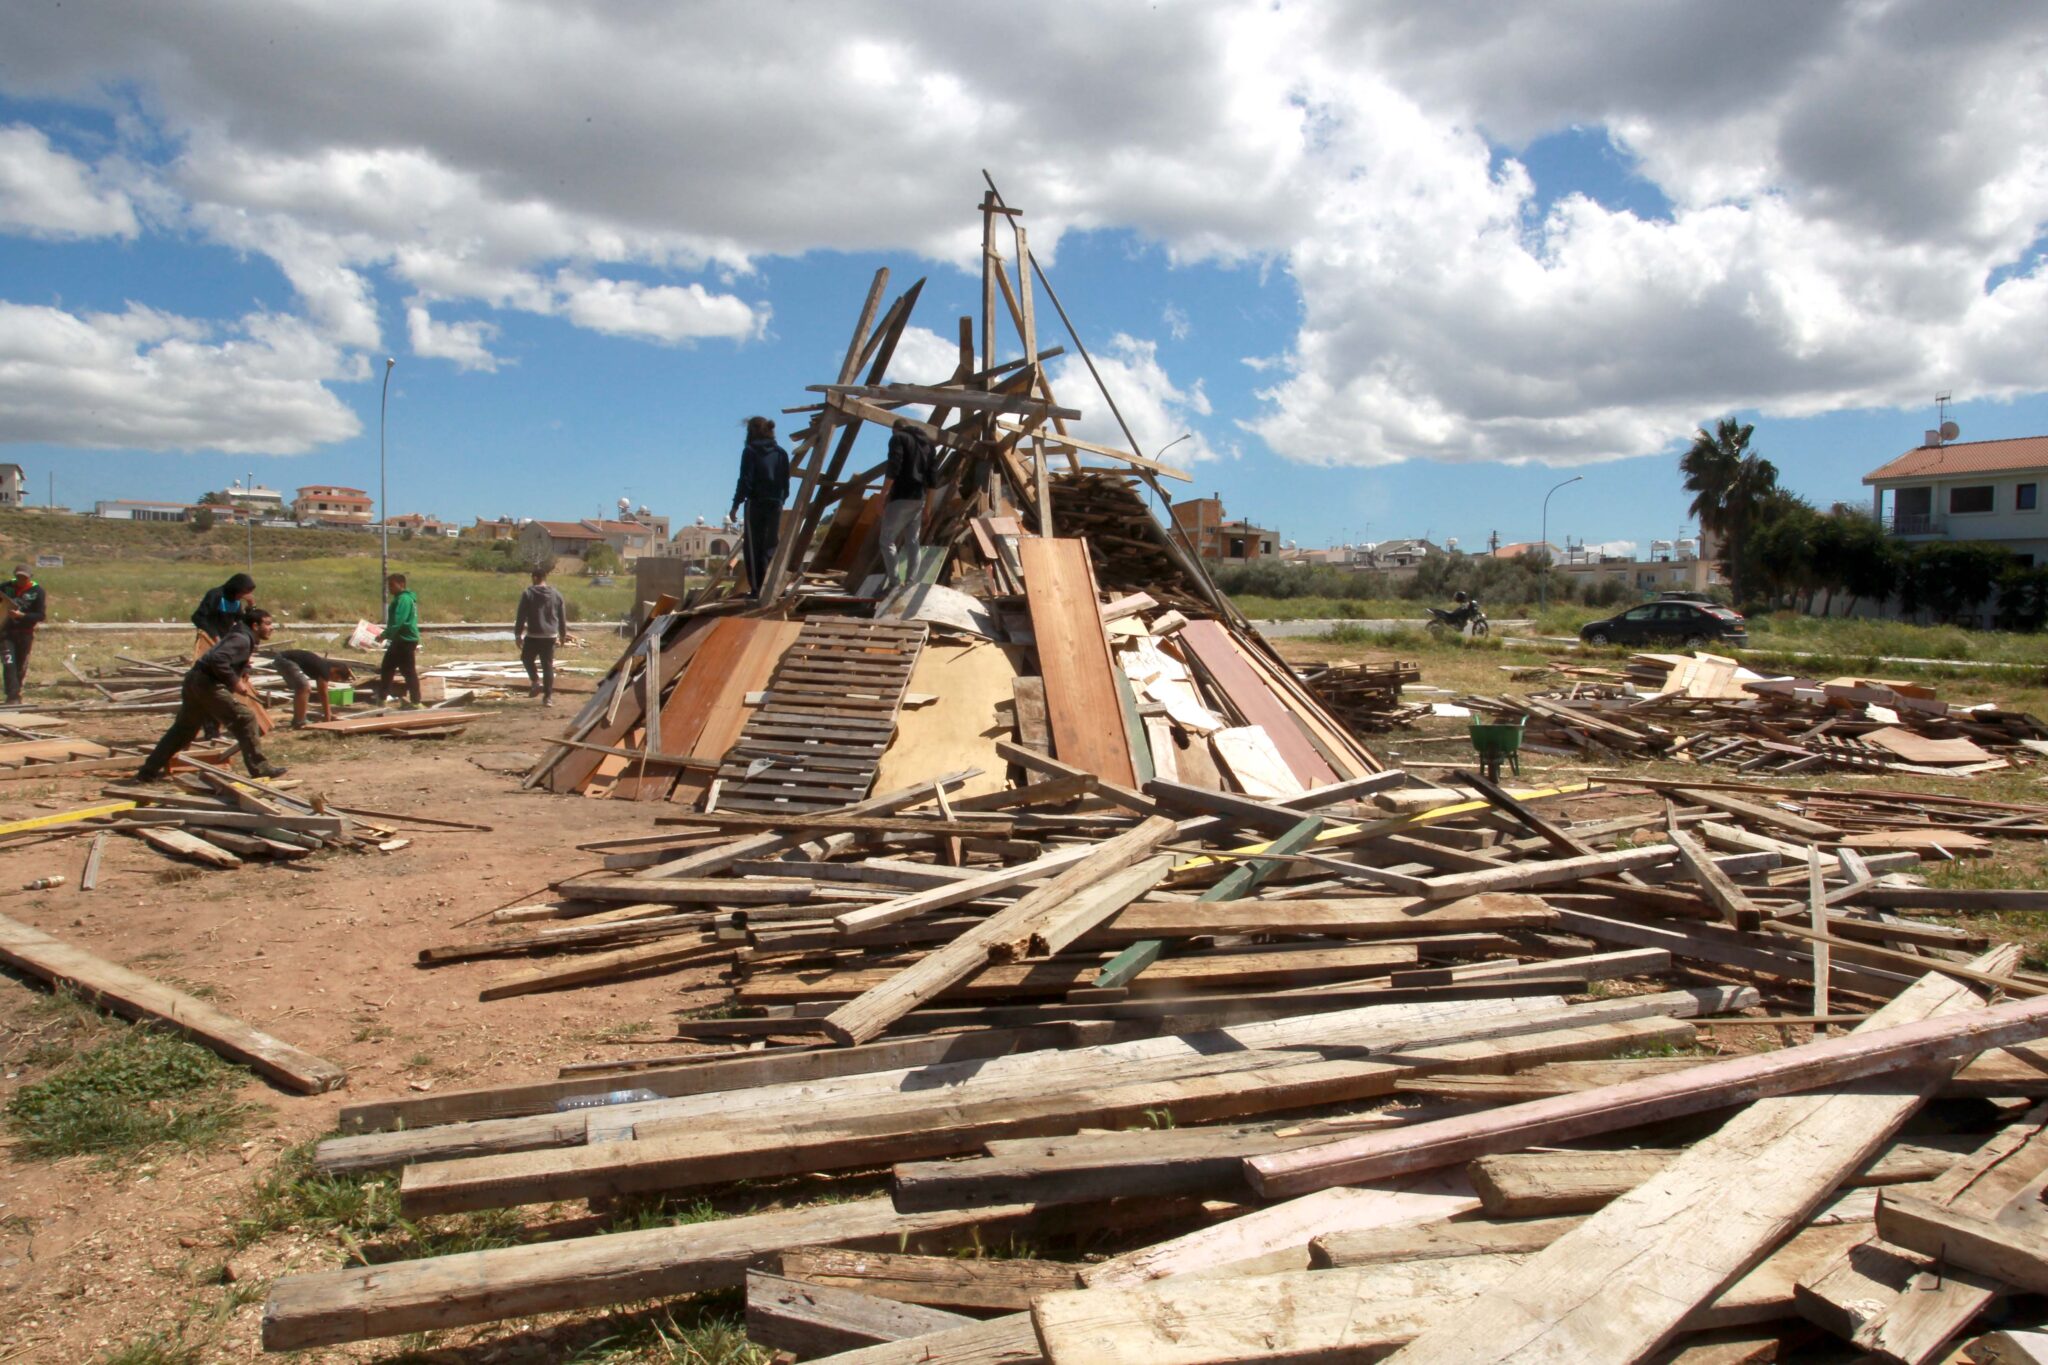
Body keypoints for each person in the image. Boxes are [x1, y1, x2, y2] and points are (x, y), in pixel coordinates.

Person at [136, 608, 288, 780]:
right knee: (246, 719)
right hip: (208, 685)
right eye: (268, 624)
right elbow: (218, 659)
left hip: (195, 681)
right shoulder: (242, 639)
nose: (271, 628)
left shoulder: (241, 636)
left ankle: (148, 771)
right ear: (255, 625)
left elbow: (226, 657)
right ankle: (260, 768)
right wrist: (234, 681)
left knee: (183, 730)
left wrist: (243, 668)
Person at [729, 415, 791, 599]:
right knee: (771, 546)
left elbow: (745, 480)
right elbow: (785, 482)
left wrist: (736, 504)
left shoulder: (750, 451)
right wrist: (781, 500)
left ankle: (757, 589)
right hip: (775, 503)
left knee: (753, 547)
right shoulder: (781, 453)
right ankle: (773, 586)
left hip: (756, 502)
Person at [880, 418, 936, 592]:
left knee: (886, 540)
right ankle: (910, 582)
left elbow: (894, 467)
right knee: (912, 541)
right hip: (919, 498)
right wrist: (928, 507)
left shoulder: (898, 438)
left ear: (896, 429)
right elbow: (933, 479)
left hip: (901, 496)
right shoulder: (928, 445)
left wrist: (883, 495)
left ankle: (894, 583)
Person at [514, 567, 570, 706]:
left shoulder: (528, 593)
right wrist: (563, 634)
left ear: (534, 578)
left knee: (526, 659)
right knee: (547, 666)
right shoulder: (556, 594)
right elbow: (562, 617)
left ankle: (535, 681)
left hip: (534, 634)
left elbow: (521, 615)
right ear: (545, 578)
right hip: (550, 635)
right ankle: (548, 698)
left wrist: (518, 634)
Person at [265, 647, 352, 728]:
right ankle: (300, 722)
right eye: (336, 678)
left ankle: (298, 720)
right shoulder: (325, 670)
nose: (333, 680)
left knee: (301, 688)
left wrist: (328, 713)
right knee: (304, 688)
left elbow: (321, 692)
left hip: (282, 658)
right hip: (285, 660)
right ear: (335, 670)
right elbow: (323, 693)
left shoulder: (324, 665)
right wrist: (327, 716)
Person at [0, 565, 47, 704]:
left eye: (24, 577)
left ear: (30, 577)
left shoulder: (37, 591)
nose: (21, 580)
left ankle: (17, 692)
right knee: (9, 663)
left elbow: (40, 615)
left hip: (25, 633)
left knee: (20, 666)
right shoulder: (5, 587)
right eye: (18, 576)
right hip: (6, 633)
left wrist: (22, 616)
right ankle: (12, 696)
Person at [375, 573, 422, 705]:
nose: (389, 588)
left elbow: (398, 621)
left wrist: (384, 634)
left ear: (401, 584)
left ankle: (416, 702)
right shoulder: (401, 598)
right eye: (388, 585)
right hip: (400, 639)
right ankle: (382, 699)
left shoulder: (404, 599)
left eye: (392, 585)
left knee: (407, 671)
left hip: (405, 639)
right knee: (388, 668)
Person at [191, 572, 257, 645]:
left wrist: (251, 606)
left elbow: (242, 622)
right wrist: (215, 636)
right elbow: (198, 618)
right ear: (236, 588)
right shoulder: (216, 595)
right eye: (243, 592)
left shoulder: (236, 601)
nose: (244, 596)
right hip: (208, 639)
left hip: (224, 640)